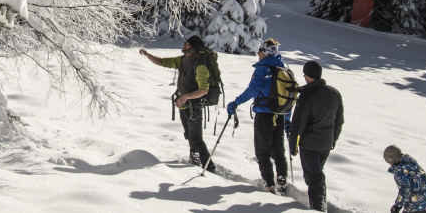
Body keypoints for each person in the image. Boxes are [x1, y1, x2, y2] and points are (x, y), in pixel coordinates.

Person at [139, 35, 216, 172]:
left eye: (186, 43)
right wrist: (148, 55)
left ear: (193, 47)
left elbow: (203, 90)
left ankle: (209, 167)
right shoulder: (183, 60)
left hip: (195, 106)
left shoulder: (200, 65)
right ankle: (195, 159)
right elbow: (163, 62)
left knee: (196, 138)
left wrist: (186, 97)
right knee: (189, 134)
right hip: (184, 105)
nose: (184, 44)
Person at [226, 38, 289, 194]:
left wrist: (236, 103)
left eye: (259, 52)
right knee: (278, 149)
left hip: (264, 114)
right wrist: (287, 118)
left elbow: (253, 90)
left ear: (265, 52)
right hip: (279, 114)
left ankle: (269, 184)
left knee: (263, 151)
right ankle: (282, 180)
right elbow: (289, 95)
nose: (258, 55)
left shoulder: (262, 69)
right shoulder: (283, 69)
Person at [287, 60, 344, 212]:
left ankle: (318, 208)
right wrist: (334, 139)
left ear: (307, 74)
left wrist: (293, 146)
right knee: (317, 174)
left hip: (310, 144)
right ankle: (319, 203)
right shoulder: (334, 93)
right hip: (326, 143)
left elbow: (298, 124)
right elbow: (339, 120)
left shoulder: (306, 96)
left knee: (313, 178)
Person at [385, 145, 426, 213]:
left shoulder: (401, 171)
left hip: (416, 208)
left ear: (391, 159)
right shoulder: (410, 162)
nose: (389, 163)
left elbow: (406, 191)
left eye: (388, 160)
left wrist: (397, 206)